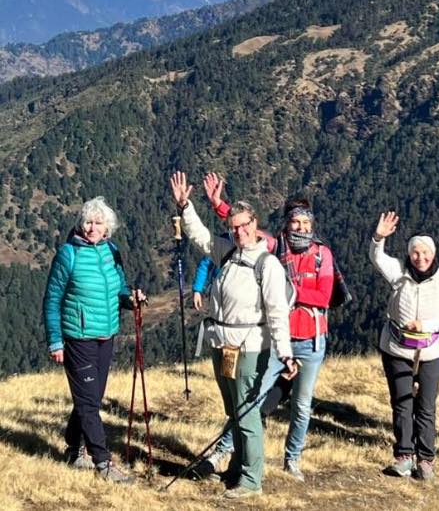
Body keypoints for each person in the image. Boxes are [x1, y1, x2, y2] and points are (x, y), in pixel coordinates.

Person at [170, 171, 297, 499]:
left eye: (244, 226)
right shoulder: (227, 252)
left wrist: (285, 353)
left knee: (246, 412)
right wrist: (185, 206)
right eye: (234, 227)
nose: (239, 232)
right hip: (222, 343)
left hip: (250, 347)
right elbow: (200, 237)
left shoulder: (267, 265)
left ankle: (251, 480)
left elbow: (278, 312)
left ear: (255, 225)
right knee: (234, 410)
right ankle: (238, 468)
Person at [203, 174, 336, 481]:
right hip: (279, 339)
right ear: (287, 224)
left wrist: (285, 285)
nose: (301, 228)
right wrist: (217, 203)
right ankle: (223, 451)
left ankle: (292, 459)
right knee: (251, 399)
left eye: (305, 224)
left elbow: (324, 297)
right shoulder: (276, 249)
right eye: (295, 223)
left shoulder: (321, 255)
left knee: (301, 406)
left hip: (312, 340)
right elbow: (246, 230)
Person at [42, 196, 144, 483]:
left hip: (106, 335)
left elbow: (120, 289)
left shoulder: (112, 251)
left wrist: (132, 300)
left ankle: (74, 450)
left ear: (107, 227)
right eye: (88, 221)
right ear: (80, 223)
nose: (92, 227)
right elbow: (52, 299)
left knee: (91, 398)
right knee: (90, 404)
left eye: (98, 223)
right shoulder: (68, 254)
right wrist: (55, 341)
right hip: (78, 338)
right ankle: (102, 462)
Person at [370, 210, 439, 481]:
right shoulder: (399, 272)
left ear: (433, 254)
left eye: (425, 253)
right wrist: (378, 238)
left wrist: (426, 325)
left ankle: (426, 459)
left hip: (431, 351)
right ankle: (404, 456)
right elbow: (376, 258)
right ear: (409, 254)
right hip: (397, 349)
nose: (420, 258)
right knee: (401, 403)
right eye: (415, 253)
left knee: (426, 405)